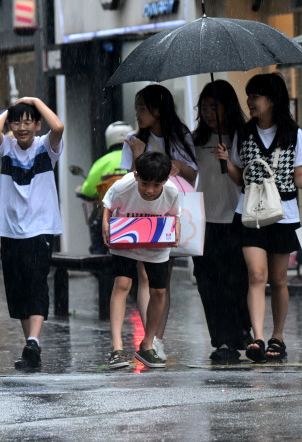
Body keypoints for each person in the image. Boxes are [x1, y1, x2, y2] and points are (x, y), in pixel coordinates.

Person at [218, 73, 302, 362]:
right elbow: (239, 178)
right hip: (250, 214)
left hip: (284, 214)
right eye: (249, 96)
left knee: (278, 280)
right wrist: (226, 162)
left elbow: (297, 176)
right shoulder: (244, 133)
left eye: (256, 96)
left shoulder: (294, 134)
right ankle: (258, 339)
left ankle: (277, 337)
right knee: (256, 275)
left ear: (273, 99)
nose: (250, 101)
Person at [119, 84, 197, 360]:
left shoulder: (181, 136)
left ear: (158, 109)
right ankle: (148, 338)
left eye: (142, 108)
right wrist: (139, 157)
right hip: (140, 213)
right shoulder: (132, 139)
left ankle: (157, 338)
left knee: (162, 278)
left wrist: (177, 165)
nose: (138, 114)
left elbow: (193, 175)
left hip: (170, 211)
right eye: (136, 108)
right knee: (144, 274)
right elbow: (126, 182)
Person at [0, 97, 64, 370]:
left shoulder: (46, 148)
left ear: (37, 125)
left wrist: (32, 101)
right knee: (18, 288)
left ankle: (34, 339)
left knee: (36, 282)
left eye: (28, 121)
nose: (22, 127)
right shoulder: (5, 148)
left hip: (40, 227)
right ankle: (32, 346)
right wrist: (12, 108)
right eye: (17, 122)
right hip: (10, 229)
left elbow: (58, 126)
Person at [191, 80, 252, 362]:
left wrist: (228, 162)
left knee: (236, 281)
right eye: (204, 108)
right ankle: (222, 342)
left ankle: (241, 329)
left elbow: (244, 181)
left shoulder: (243, 137)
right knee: (208, 283)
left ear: (228, 107)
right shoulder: (196, 140)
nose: (208, 113)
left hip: (237, 218)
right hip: (204, 222)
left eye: (214, 107)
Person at [103, 151, 181, 369]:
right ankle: (116, 347)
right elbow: (108, 205)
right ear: (136, 175)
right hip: (125, 238)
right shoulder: (123, 186)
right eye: (145, 183)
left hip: (155, 242)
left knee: (159, 291)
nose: (149, 190)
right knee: (122, 284)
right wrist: (105, 225)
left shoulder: (172, 192)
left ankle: (147, 345)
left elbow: (175, 215)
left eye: (157, 185)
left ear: (166, 181)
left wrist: (176, 232)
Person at [76, 121, 133, 254]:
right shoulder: (137, 159)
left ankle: (99, 257)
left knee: (97, 226)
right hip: (136, 213)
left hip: (110, 215)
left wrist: (81, 190)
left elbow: (89, 190)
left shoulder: (102, 161)